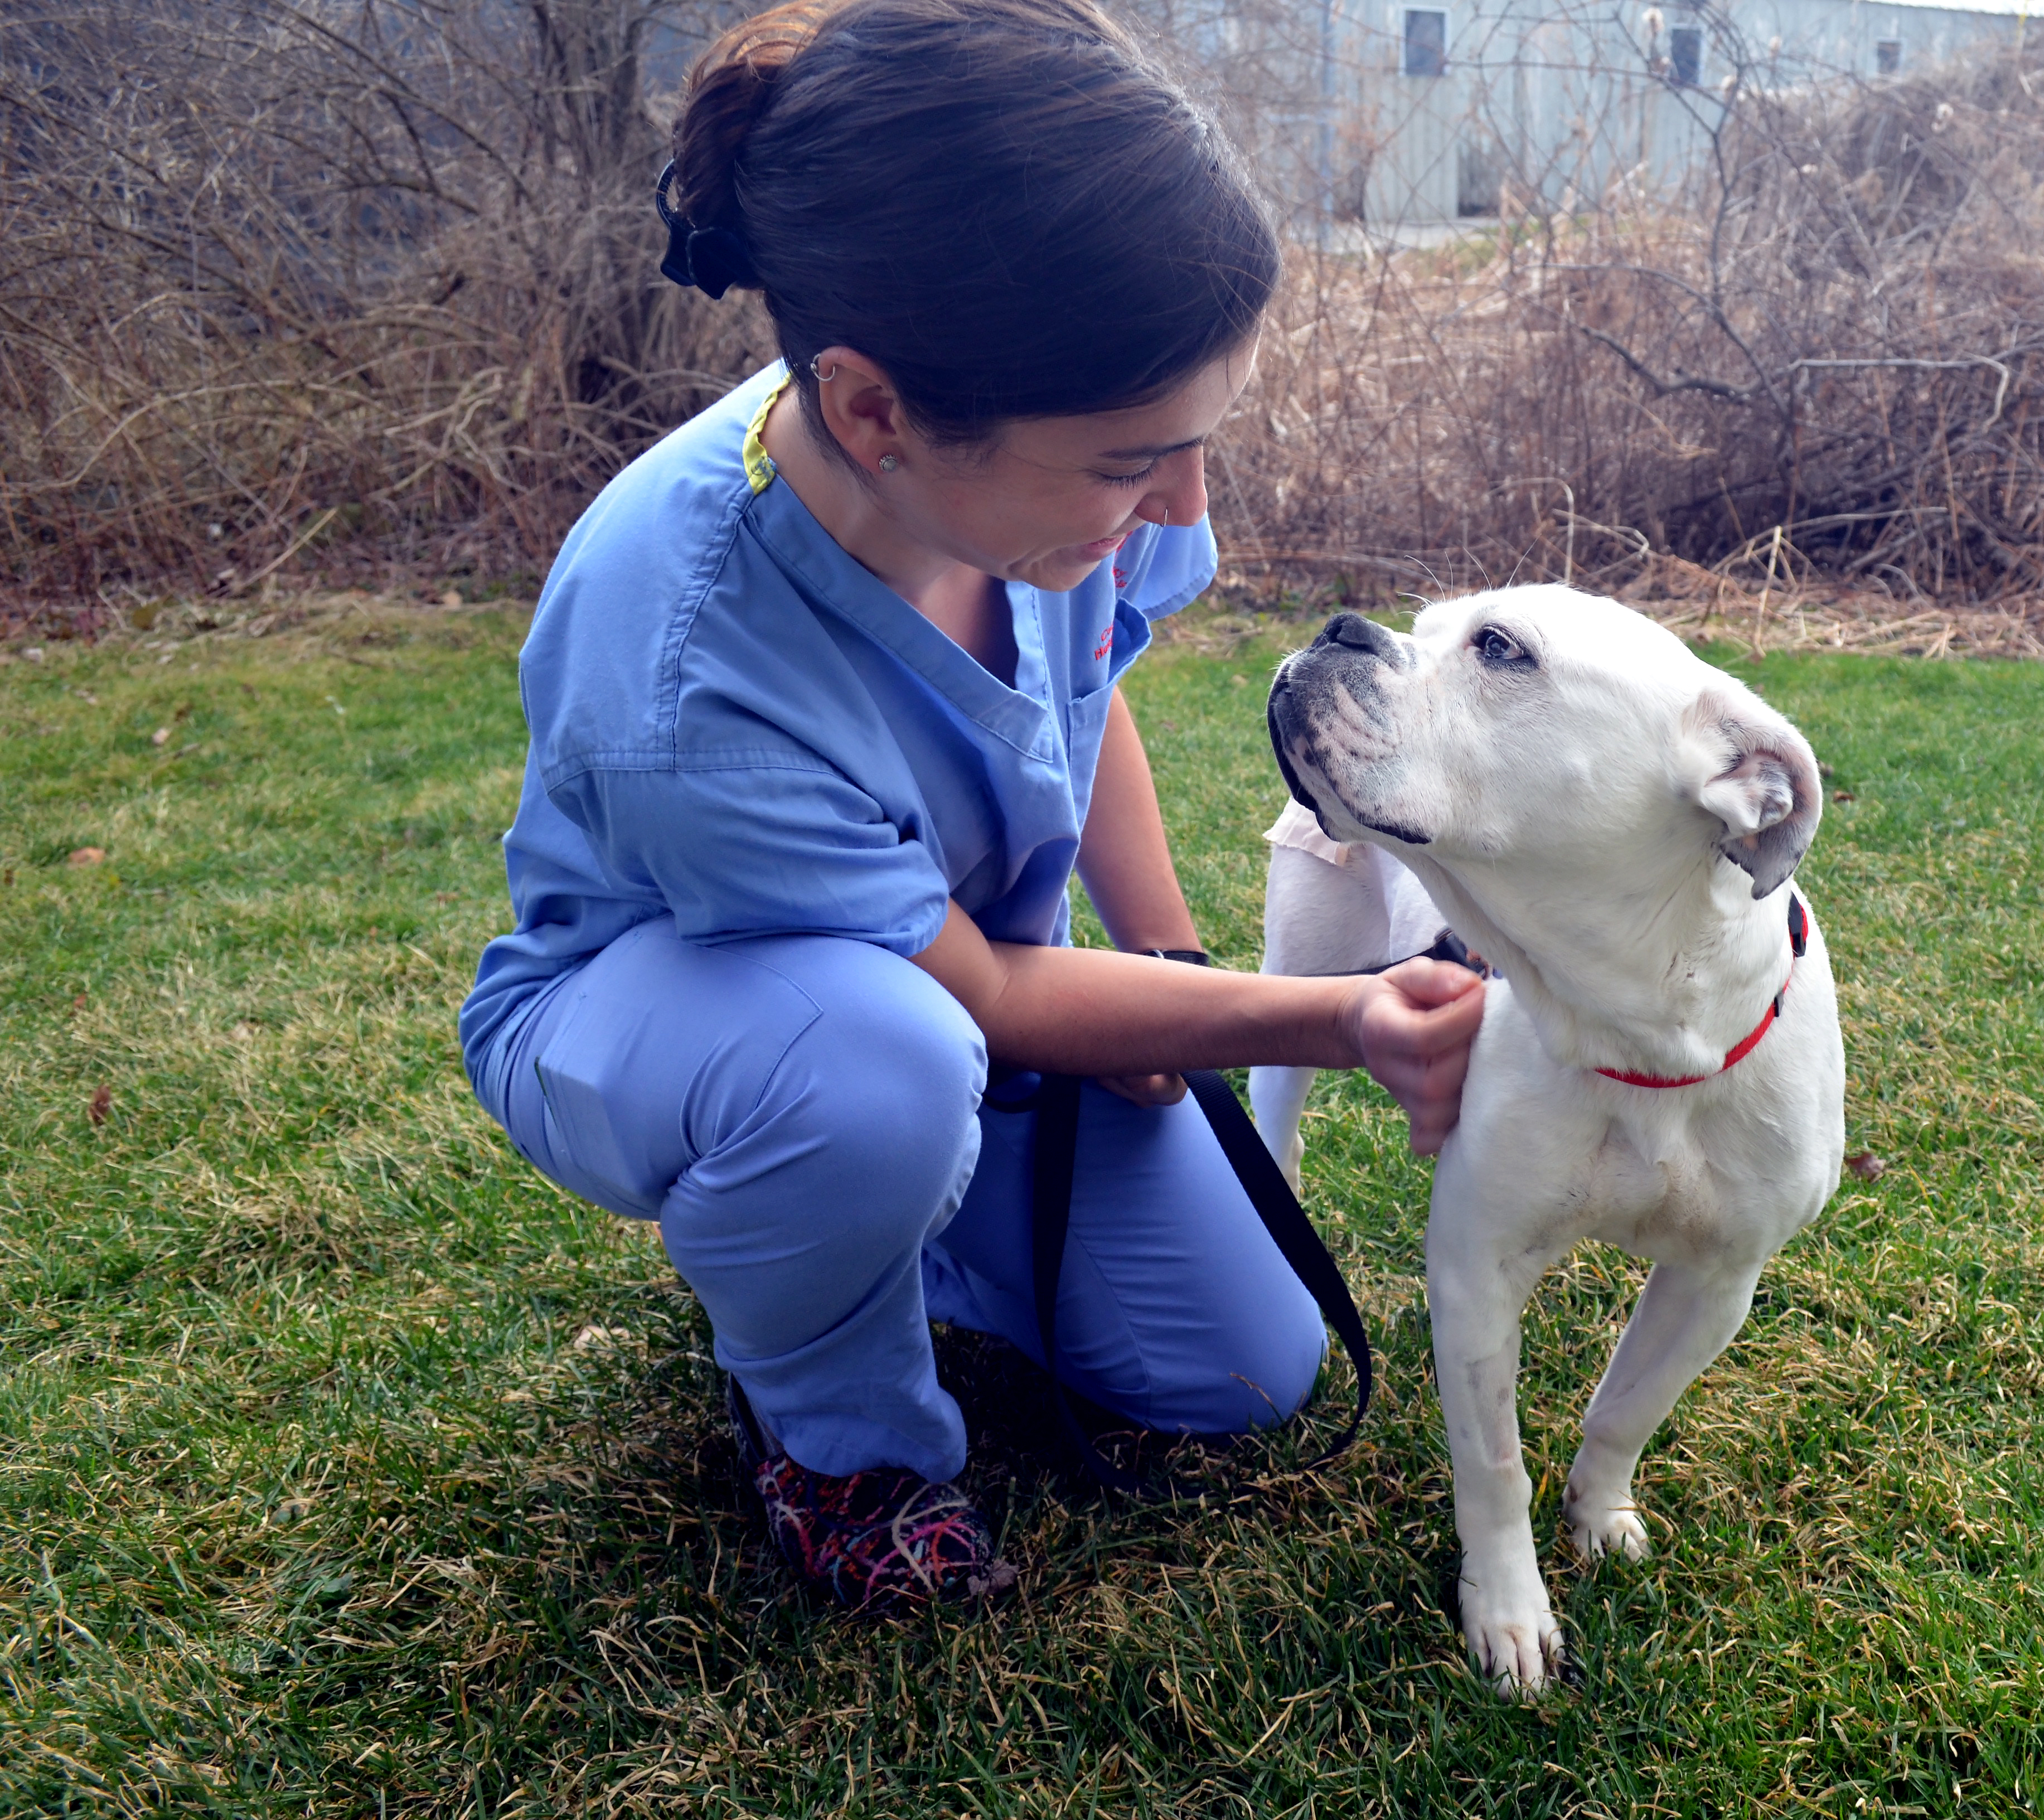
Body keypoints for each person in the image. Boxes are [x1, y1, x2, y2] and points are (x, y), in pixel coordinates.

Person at [457, 0, 1484, 1611]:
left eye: (1199, 445)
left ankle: (857, 1227)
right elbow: (986, 988)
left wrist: (1168, 962)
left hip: (951, 1011)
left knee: (1246, 1373)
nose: (1184, 509)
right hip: (683, 1029)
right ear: (871, 411)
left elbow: (1088, 697)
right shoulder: (685, 665)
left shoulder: (1038, 486)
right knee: (872, 1071)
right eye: (1136, 464)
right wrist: (1342, 1016)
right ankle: (838, 1439)